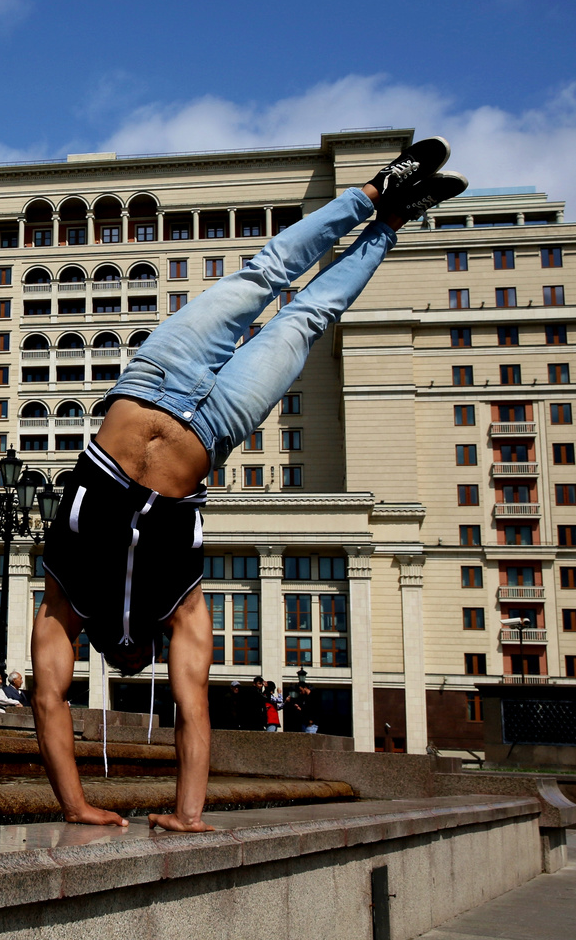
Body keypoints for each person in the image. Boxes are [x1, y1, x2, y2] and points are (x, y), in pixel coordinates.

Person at [30, 140, 467, 830]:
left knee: (265, 274)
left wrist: (78, 803)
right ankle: (391, 224)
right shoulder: (183, 605)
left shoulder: (64, 595)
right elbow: (195, 705)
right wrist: (188, 813)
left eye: (137, 661)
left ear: (115, 653)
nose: (142, 660)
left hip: (155, 378)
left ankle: (377, 191)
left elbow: (48, 702)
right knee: (305, 318)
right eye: (146, 662)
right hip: (216, 426)